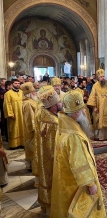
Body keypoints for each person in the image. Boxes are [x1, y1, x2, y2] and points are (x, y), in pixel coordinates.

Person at [51, 91, 106, 218]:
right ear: (76, 112)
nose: (85, 112)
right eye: (83, 110)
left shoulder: (63, 125)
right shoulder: (74, 136)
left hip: (65, 177)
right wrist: (90, 184)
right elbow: (79, 163)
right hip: (76, 183)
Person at [37, 86, 62, 214]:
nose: (61, 104)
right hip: (53, 159)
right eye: (59, 103)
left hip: (45, 158)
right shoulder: (53, 123)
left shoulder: (43, 114)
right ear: (53, 106)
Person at [87, 69, 107, 140]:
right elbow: (92, 96)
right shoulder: (95, 86)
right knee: (99, 122)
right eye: (101, 77)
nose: (103, 78)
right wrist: (94, 107)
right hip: (99, 108)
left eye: (103, 76)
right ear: (98, 78)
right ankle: (99, 136)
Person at [20, 82, 37, 171]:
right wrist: (34, 128)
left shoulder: (31, 101)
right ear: (29, 94)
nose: (36, 93)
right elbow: (30, 119)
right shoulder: (28, 103)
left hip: (31, 129)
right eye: (34, 92)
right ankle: (33, 166)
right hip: (31, 130)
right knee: (32, 147)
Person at [3, 79, 24, 149]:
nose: (17, 84)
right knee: (14, 128)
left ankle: (22, 143)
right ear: (12, 85)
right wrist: (10, 114)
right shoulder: (8, 93)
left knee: (22, 127)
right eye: (16, 83)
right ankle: (14, 144)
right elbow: (7, 104)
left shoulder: (22, 92)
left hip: (22, 113)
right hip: (14, 114)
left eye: (18, 83)